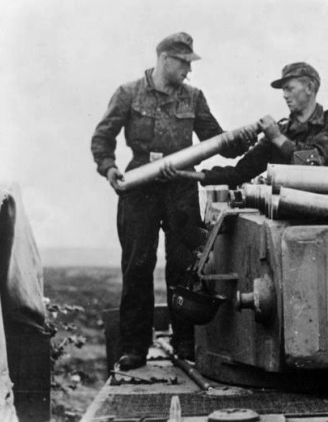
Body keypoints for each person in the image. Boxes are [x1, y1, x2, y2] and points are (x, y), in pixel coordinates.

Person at [90, 32, 251, 370]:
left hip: (180, 187)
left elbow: (217, 139)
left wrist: (247, 139)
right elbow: (102, 137)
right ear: (165, 59)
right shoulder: (128, 93)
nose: (188, 73)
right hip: (139, 187)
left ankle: (185, 342)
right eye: (183, 64)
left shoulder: (194, 98)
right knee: (137, 265)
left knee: (183, 264)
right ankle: (134, 347)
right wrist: (109, 169)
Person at [160, 62, 328, 187]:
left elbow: (312, 162)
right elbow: (239, 174)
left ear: (309, 88)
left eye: (289, 88)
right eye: (283, 90)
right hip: (287, 214)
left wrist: (276, 138)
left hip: (323, 215)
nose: (284, 95)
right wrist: (186, 175)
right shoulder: (280, 131)